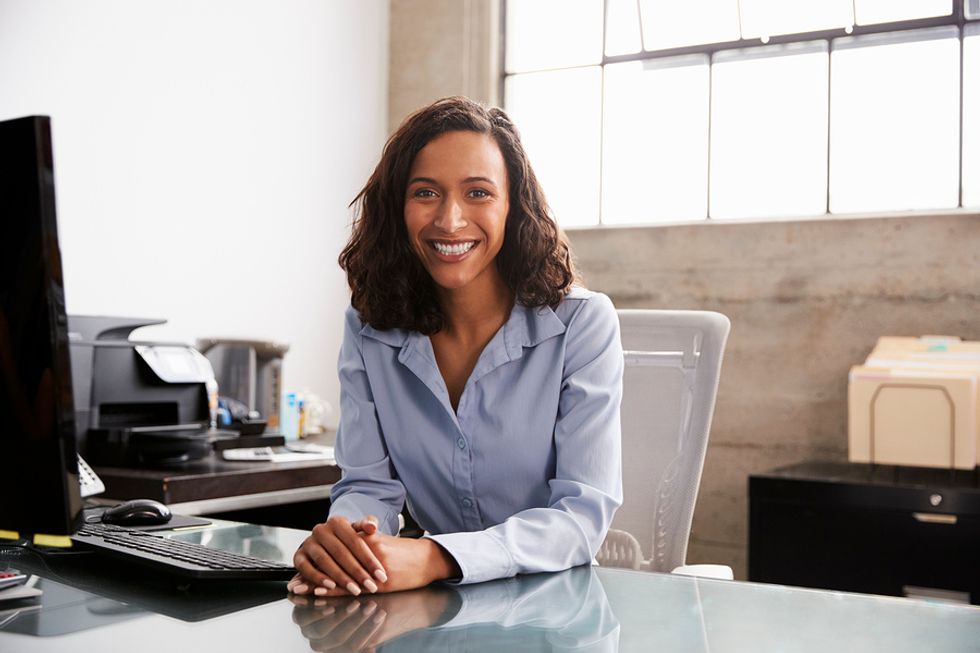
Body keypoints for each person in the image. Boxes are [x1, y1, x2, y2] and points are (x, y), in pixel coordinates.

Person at [289, 96, 623, 597]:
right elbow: (368, 487)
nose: (449, 220)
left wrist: (436, 555)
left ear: (513, 206)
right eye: (425, 192)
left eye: (478, 193)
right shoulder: (368, 327)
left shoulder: (582, 324)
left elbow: (579, 517)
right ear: (397, 208)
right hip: (435, 609)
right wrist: (351, 549)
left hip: (557, 612)